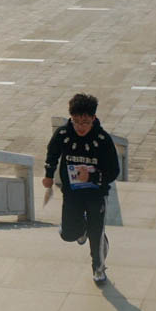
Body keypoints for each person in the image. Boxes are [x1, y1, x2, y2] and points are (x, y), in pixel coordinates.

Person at [43, 93, 121, 283]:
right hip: (72, 192)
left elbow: (113, 171)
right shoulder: (63, 134)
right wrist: (48, 175)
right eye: (76, 121)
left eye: (85, 122)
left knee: (96, 234)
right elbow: (52, 153)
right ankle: (82, 229)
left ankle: (99, 269)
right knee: (67, 234)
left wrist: (93, 177)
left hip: (96, 193)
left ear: (93, 118)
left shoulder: (102, 139)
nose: (80, 127)